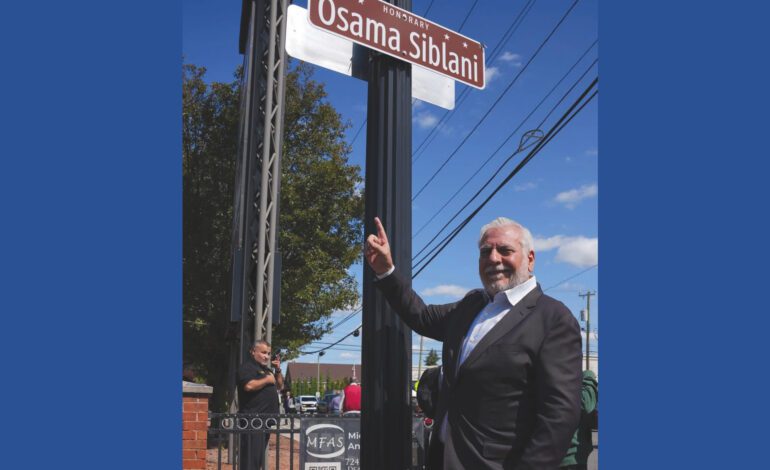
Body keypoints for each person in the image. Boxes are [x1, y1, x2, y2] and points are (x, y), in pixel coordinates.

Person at [365, 216, 582, 470]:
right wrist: (386, 271)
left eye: (505, 250)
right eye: (485, 251)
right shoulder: (471, 307)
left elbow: (559, 415)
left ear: (530, 259)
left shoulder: (553, 318)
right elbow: (421, 316)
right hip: (443, 459)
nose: (493, 258)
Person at [237, 340, 283, 470]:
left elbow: (280, 386)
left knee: (257, 461)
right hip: (253, 421)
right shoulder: (247, 367)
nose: (267, 356)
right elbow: (249, 386)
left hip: (265, 420)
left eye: (268, 353)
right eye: (263, 352)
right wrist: (267, 379)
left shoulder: (267, 370)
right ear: (253, 352)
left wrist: (277, 369)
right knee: (251, 461)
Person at [560, 370, 598, 470]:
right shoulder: (561, 384)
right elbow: (587, 403)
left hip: (575, 456)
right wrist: (589, 378)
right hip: (568, 457)